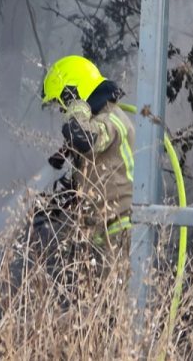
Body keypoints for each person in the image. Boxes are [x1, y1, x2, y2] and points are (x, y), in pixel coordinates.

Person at [40, 55, 135, 259]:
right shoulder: (99, 121)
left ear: (74, 93)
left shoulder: (112, 120)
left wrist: (77, 107)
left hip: (121, 235)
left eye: (62, 102)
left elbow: (84, 138)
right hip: (103, 238)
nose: (62, 110)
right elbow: (87, 182)